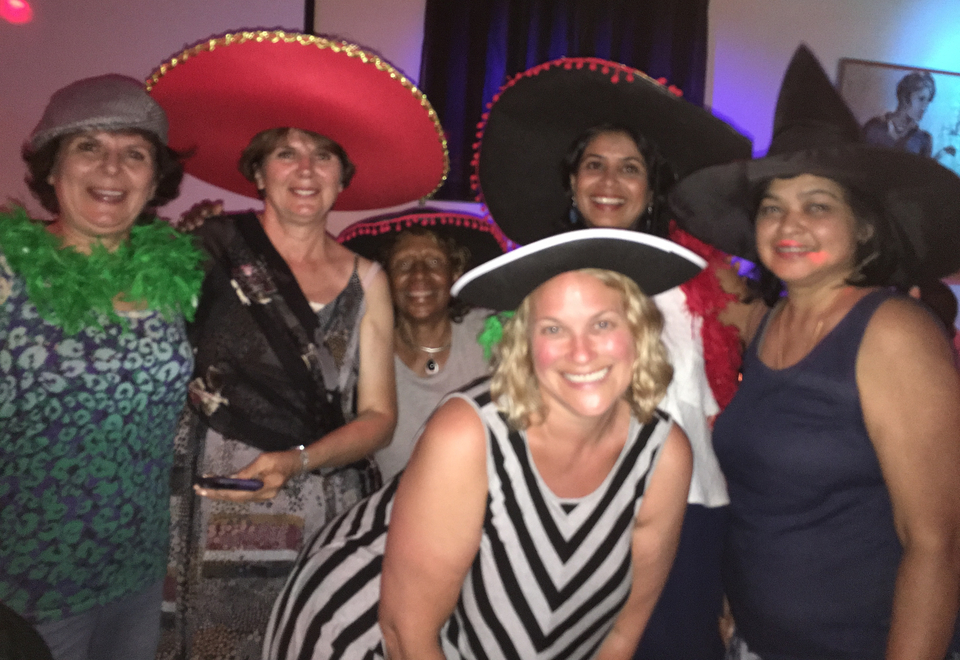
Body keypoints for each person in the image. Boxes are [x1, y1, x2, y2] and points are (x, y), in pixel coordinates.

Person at [263, 228, 703, 659]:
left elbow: (623, 631)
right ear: (525, 343)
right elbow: (406, 634)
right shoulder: (467, 434)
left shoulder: (664, 455)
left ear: (638, 331)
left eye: (603, 323)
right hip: (363, 632)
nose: (581, 352)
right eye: (553, 329)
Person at [147, 32, 448, 659]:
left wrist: (299, 461)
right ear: (258, 172)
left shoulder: (368, 278)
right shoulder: (209, 249)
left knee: (312, 642)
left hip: (320, 502)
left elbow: (379, 418)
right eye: (287, 154)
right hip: (216, 495)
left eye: (323, 156)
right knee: (218, 644)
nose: (306, 171)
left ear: (344, 177)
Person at [671, 45, 960, 660]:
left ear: (864, 227)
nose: (787, 224)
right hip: (754, 642)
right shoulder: (770, 321)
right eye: (772, 207)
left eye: (817, 206)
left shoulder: (894, 333)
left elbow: (938, 544)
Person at [472, 57, 756, 659]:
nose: (609, 182)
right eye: (593, 165)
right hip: (567, 511)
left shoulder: (704, 279)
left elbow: (772, 356)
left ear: (653, 185)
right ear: (571, 180)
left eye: (630, 169)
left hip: (689, 508)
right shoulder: (540, 280)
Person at [0, 75, 205, 660]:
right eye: (88, 146)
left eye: (135, 153)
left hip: (137, 572)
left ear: (154, 178)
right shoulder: (8, 275)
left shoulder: (170, 280)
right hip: (26, 588)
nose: (113, 168)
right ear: (51, 168)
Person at [338, 207, 506, 479]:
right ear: (385, 279)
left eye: (434, 262)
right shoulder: (359, 348)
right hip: (390, 513)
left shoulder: (495, 332)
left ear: (455, 272)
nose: (419, 275)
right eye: (403, 265)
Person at [862, 70, 936, 157]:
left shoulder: (924, 139)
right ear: (905, 97)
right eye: (921, 99)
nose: (925, 107)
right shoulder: (874, 127)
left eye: (928, 101)